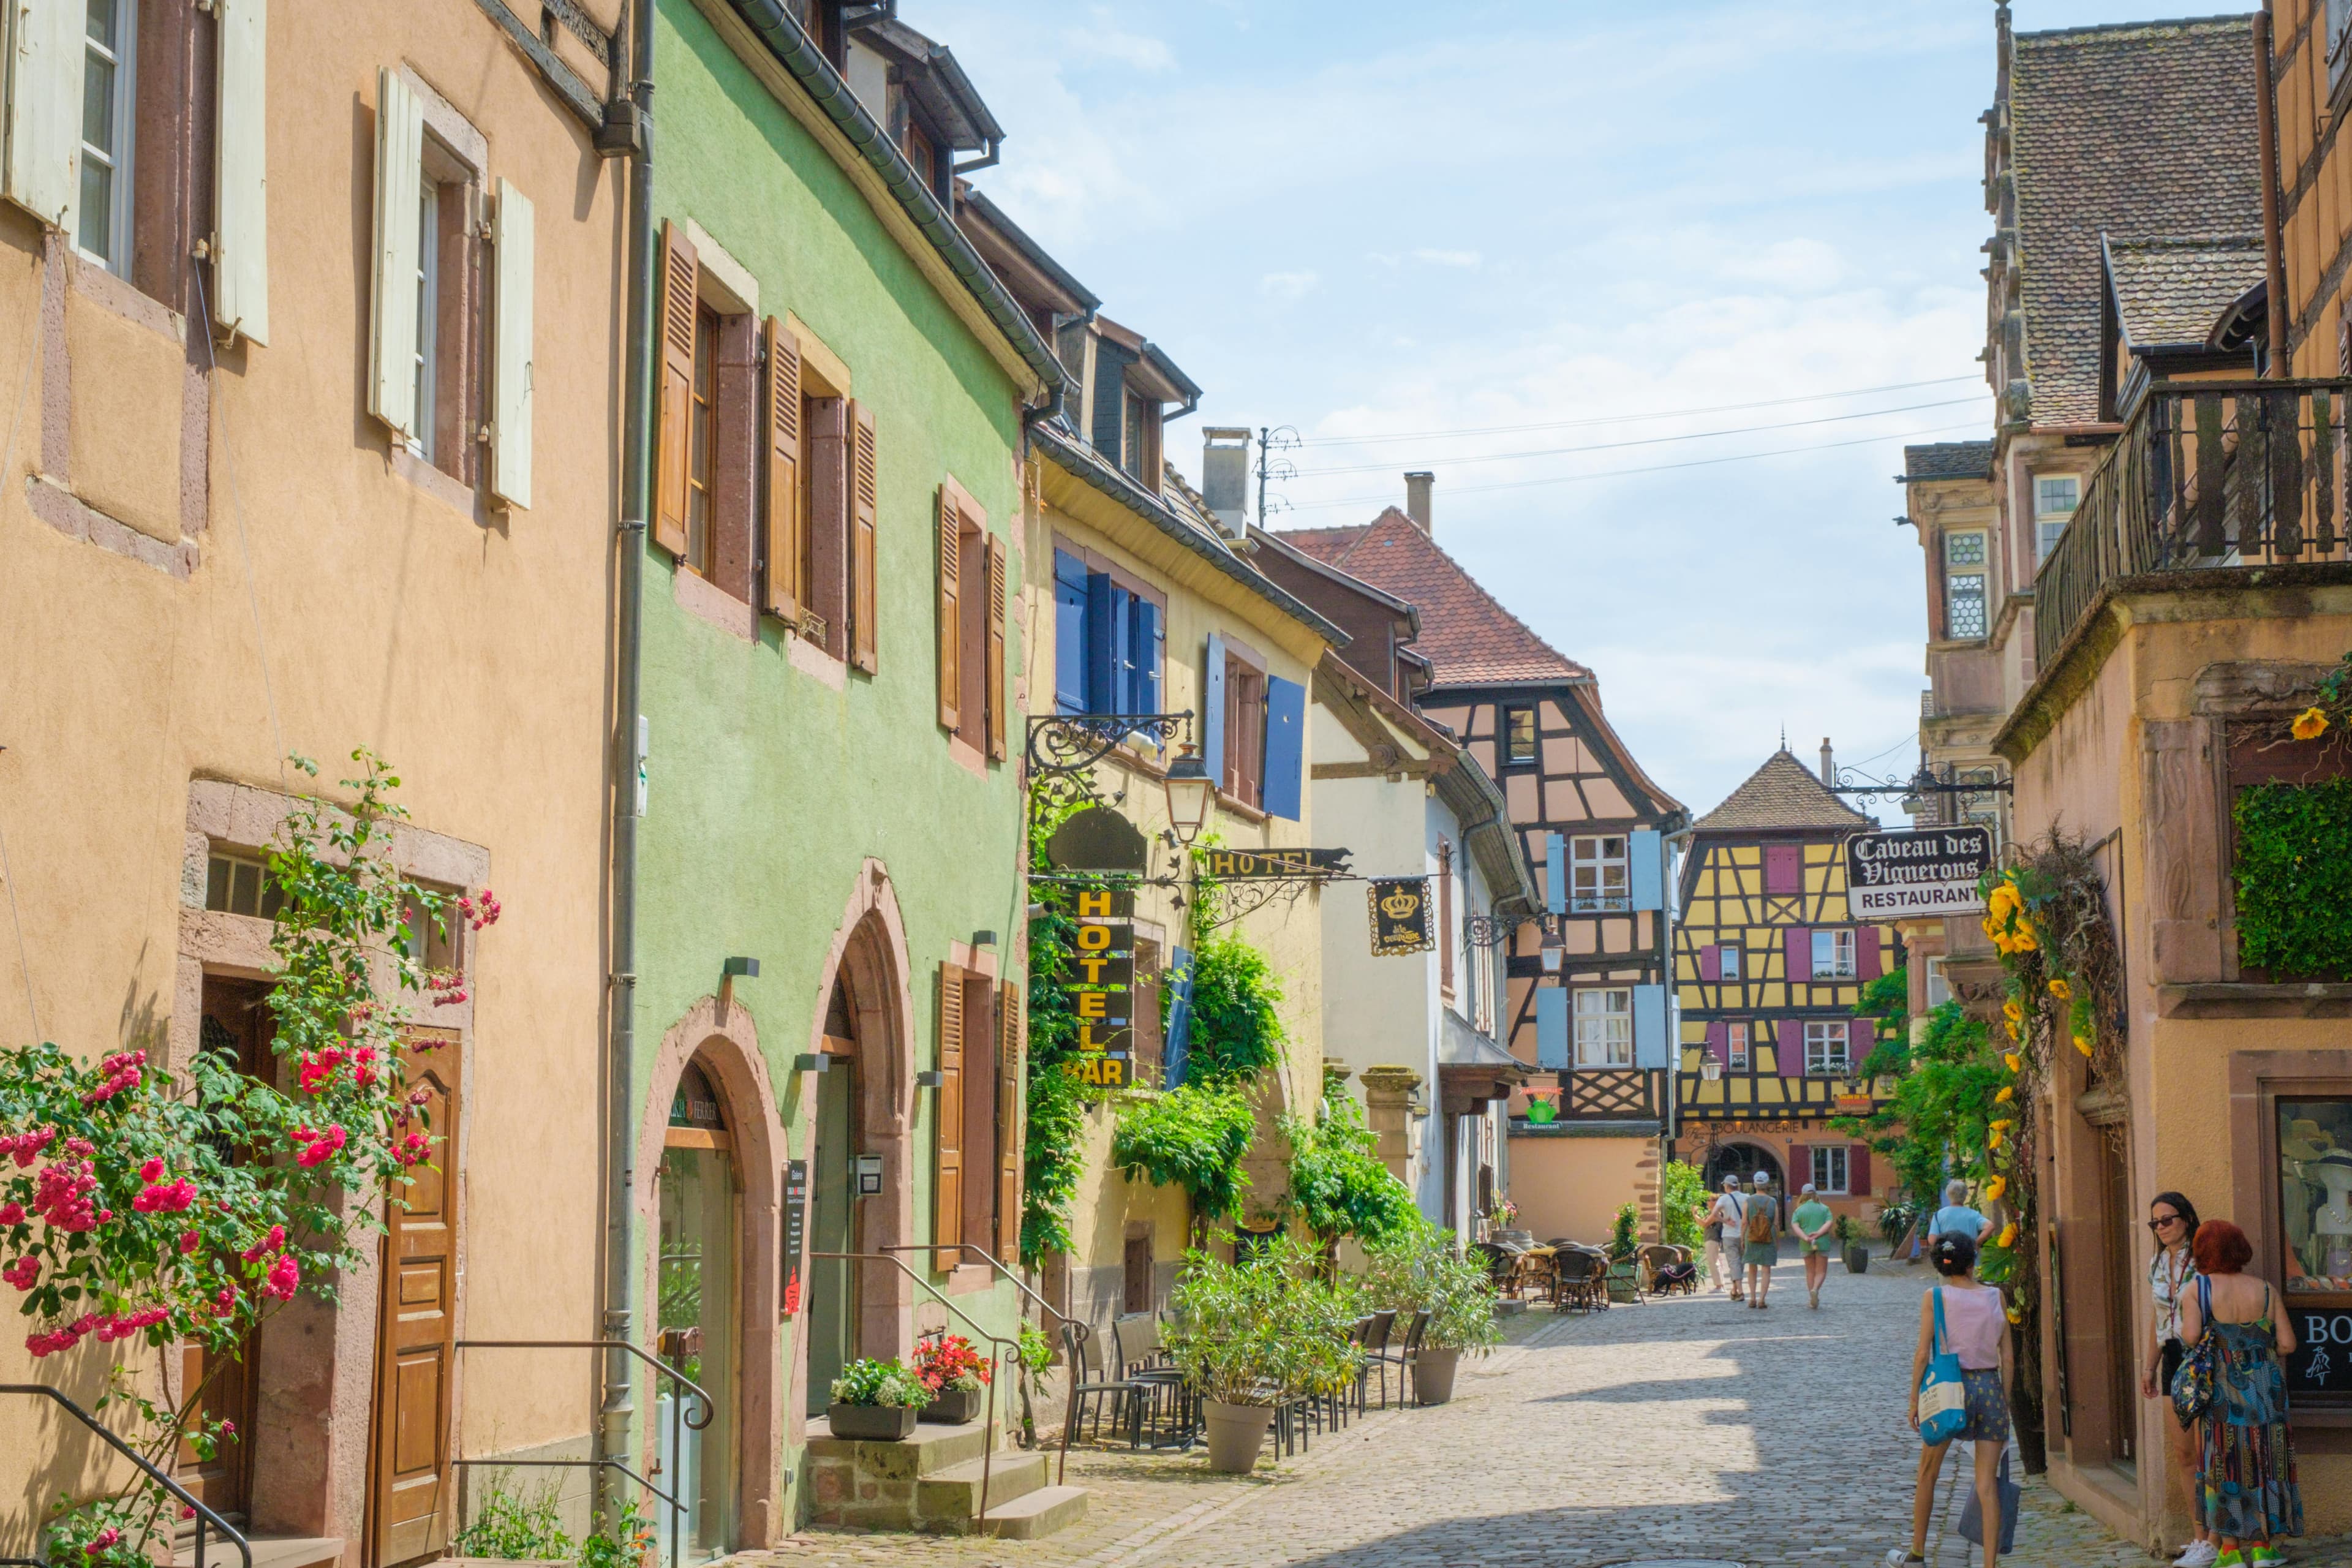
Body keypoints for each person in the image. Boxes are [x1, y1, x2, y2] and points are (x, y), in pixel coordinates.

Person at [2177, 1219, 2302, 1568]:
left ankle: (2229, 1551)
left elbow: (2189, 1338)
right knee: (2264, 1461)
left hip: (2222, 1390)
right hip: (2265, 1388)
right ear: (2240, 1249)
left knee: (2225, 1464)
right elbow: (2288, 1344)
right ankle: (2263, 1547)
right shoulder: (2265, 1289)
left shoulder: (2196, 1289)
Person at [1887, 1232, 2011, 1568]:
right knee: (1987, 1485)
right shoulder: (1996, 1296)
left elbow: (1922, 1354)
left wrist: (1914, 1400)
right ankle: (1989, 1565)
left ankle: (1917, 1553)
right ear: (1973, 1261)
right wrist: (2005, 1402)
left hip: (1947, 1388)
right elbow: (2008, 1358)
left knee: (1928, 1472)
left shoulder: (1935, 1297)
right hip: (1989, 1385)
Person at [2143, 1193, 2212, 1568]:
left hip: (2202, 1354)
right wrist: (2149, 1366)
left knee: (2209, 1453)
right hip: (2171, 1355)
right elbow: (2157, 1319)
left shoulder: (2204, 1258)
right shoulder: (2156, 1263)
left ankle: (2218, 1537)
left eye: (2167, 1220)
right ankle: (2200, 1537)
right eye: (2155, 1223)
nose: (2162, 1228)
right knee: (2185, 1453)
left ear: (2186, 1218)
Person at [1792, 1182, 1834, 1310]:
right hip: (1822, 1242)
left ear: (1803, 1195)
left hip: (1806, 1244)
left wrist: (1805, 1237)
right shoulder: (1824, 1208)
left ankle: (1812, 1299)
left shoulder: (1799, 1211)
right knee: (1821, 1271)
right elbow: (1829, 1222)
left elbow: (1795, 1226)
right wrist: (1818, 1234)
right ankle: (1815, 1290)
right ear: (1815, 1194)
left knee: (1810, 1271)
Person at [1741, 1170, 1778, 1308]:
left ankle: (1752, 1298)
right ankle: (1762, 1299)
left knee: (1752, 1268)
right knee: (1766, 1270)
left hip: (1751, 1238)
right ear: (1767, 1184)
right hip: (1768, 1238)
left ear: (1754, 1184)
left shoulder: (1748, 1201)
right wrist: (1777, 1241)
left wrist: (1742, 1239)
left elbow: (1744, 1222)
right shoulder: (1773, 1201)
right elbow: (1776, 1223)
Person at [1706, 1175, 1745, 1298]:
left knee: (1734, 1263)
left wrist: (1725, 1221)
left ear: (1727, 1186)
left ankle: (1741, 1291)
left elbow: (1714, 1213)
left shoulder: (1724, 1199)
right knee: (1740, 1263)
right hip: (1744, 1235)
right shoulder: (1747, 1198)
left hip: (1729, 1235)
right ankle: (1735, 1290)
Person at [1928, 1177, 1995, 1245]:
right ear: (1965, 1196)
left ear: (1948, 1195)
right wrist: (1977, 1243)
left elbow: (1932, 1239)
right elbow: (1990, 1226)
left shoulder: (1938, 1215)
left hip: (1947, 1255)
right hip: (1969, 1254)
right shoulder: (1974, 1214)